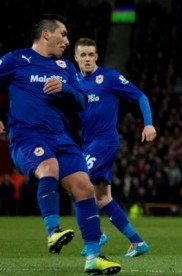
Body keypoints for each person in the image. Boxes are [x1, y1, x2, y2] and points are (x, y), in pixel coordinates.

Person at [0, 14, 121, 274]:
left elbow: (81, 101)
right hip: (27, 134)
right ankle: (53, 231)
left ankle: (93, 258)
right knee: (49, 166)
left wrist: (65, 88)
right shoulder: (14, 60)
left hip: (61, 137)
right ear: (46, 34)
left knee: (84, 187)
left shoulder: (65, 68)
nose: (67, 41)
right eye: (63, 35)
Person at [74, 38, 156, 257]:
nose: (88, 59)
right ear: (76, 58)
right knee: (102, 199)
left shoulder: (108, 78)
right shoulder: (73, 80)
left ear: (97, 56)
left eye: (91, 54)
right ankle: (137, 243)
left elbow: (141, 96)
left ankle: (96, 234)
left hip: (105, 142)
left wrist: (148, 123)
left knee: (77, 183)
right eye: (83, 55)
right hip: (87, 144)